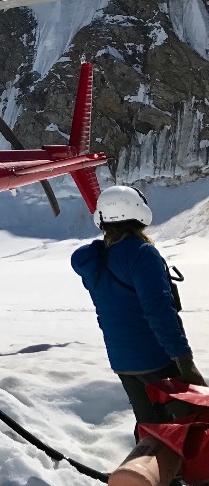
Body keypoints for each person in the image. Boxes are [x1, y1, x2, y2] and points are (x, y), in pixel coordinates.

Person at [72, 185, 204, 433]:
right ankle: (174, 472)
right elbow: (159, 311)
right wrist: (184, 360)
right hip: (155, 358)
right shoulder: (142, 254)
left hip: (123, 361)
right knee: (180, 428)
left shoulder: (97, 260)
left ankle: (142, 469)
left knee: (149, 426)